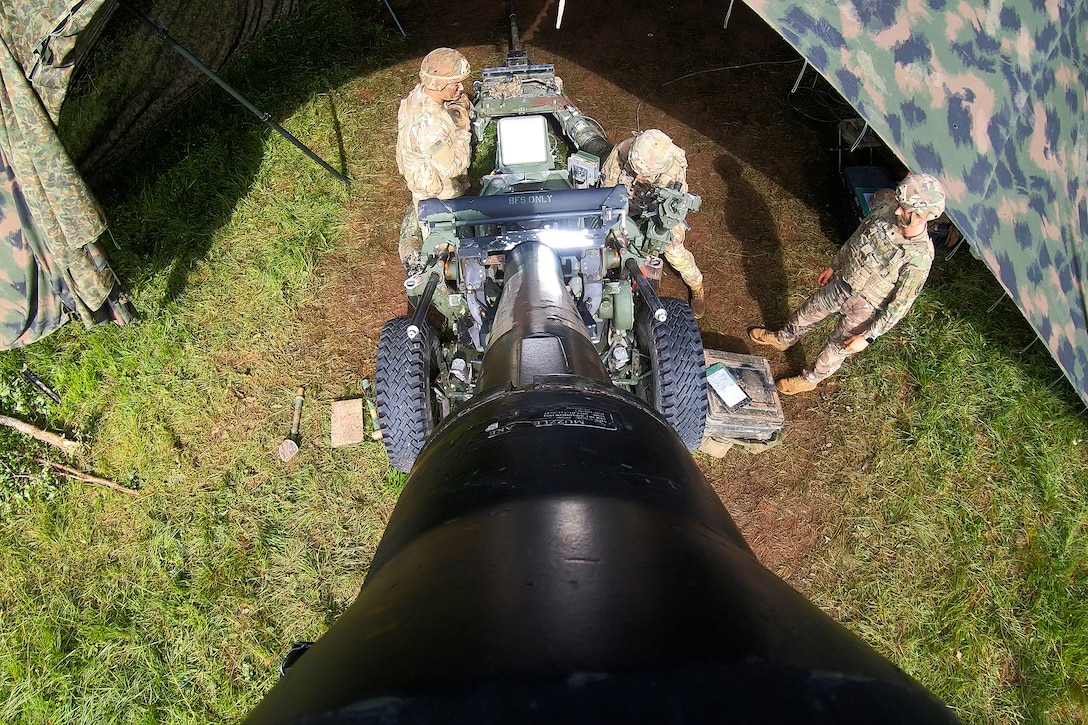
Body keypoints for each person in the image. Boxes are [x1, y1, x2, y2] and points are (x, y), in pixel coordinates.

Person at [748, 172, 946, 395]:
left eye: (907, 209)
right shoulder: (885, 212)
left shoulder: (919, 258)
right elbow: (857, 237)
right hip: (844, 282)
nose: (898, 210)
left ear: (923, 215)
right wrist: (834, 266)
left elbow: (899, 306)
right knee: (807, 312)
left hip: (866, 309)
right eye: (900, 204)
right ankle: (783, 339)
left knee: (836, 349)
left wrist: (868, 337)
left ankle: (810, 379)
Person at [601, 129, 706, 318]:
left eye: (644, 174)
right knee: (608, 236)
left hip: (659, 210)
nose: (638, 177)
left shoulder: (673, 170)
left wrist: (661, 228)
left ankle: (696, 284)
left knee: (673, 249)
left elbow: (672, 207)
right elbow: (608, 184)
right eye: (636, 171)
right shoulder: (625, 150)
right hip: (626, 203)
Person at [395, 47, 474, 272]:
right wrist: (462, 130)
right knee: (448, 253)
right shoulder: (431, 125)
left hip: (424, 182)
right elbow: (453, 166)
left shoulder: (418, 96)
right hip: (440, 197)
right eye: (455, 84)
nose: (461, 87)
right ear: (438, 85)